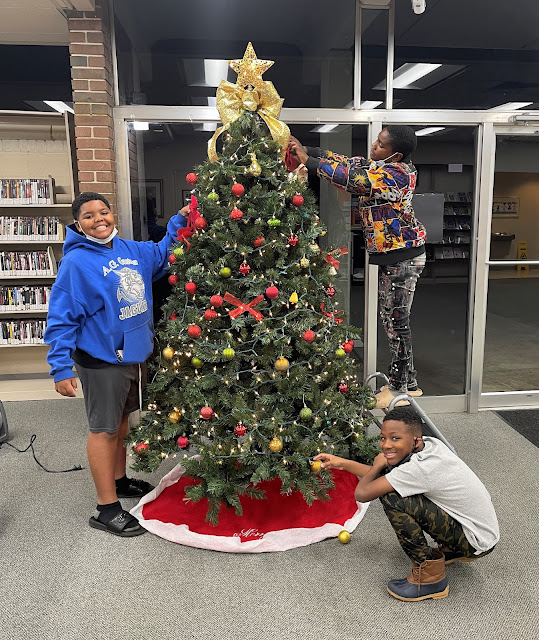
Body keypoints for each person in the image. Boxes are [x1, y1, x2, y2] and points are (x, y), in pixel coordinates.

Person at [44, 192, 188, 537]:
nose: (99, 219)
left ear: (113, 216)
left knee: (122, 424)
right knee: (104, 429)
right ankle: (106, 508)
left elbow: (162, 252)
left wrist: (180, 220)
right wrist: (60, 366)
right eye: (89, 216)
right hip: (101, 359)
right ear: (78, 224)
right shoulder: (76, 264)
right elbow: (61, 317)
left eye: (103, 212)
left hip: (134, 355)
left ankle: (119, 481)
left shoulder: (130, 250)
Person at [289, 126, 426, 408]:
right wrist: (308, 150)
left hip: (403, 256)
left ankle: (399, 388)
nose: (374, 146)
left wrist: (308, 162)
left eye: (381, 144)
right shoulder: (379, 165)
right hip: (394, 255)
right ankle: (409, 382)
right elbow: (347, 162)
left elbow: (354, 180)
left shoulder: (398, 174)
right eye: (377, 140)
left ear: (396, 154)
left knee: (396, 322)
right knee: (392, 320)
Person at [314, 407, 499, 601]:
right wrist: (341, 463)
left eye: (395, 438)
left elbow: (362, 493)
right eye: (383, 438)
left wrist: (378, 464)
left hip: (474, 540)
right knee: (391, 485)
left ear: (415, 440)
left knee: (392, 498)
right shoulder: (430, 444)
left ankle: (429, 579)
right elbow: (390, 478)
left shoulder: (419, 468)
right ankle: (451, 548)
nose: (386, 445)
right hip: (480, 532)